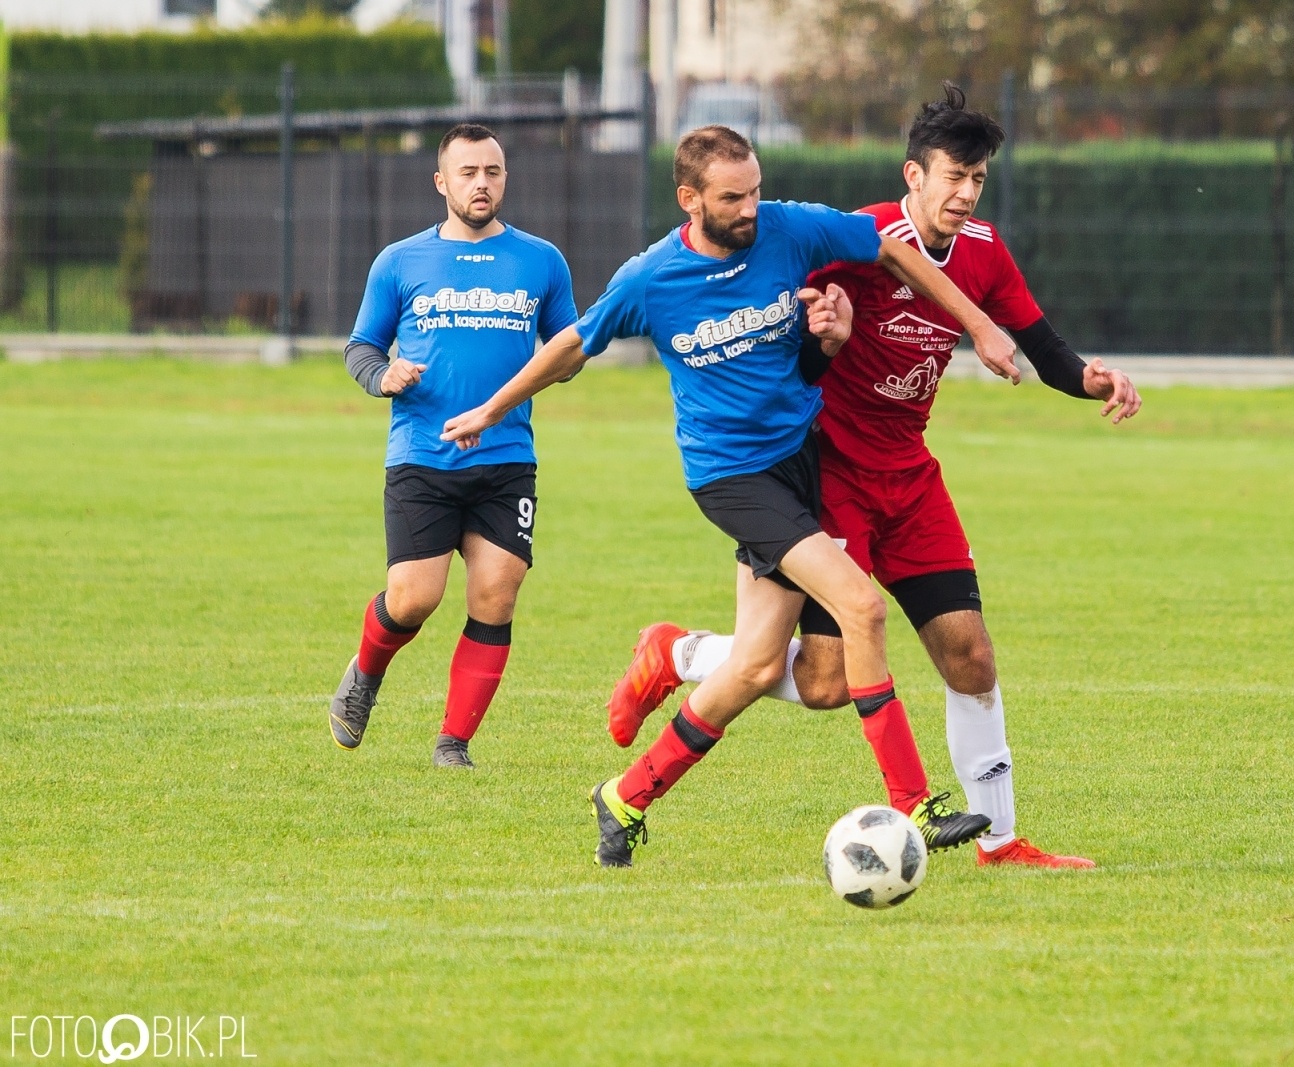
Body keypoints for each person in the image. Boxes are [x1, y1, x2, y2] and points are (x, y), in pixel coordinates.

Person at [441, 124, 1023, 867]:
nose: (750, 207)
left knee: (769, 669)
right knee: (863, 607)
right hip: (733, 479)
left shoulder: (785, 226)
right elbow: (572, 346)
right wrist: (493, 408)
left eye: (754, 189)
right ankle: (914, 802)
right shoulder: (652, 278)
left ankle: (626, 794)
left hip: (802, 463)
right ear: (690, 199)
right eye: (731, 197)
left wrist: (974, 324)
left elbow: (886, 246)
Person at [606, 85, 1142, 868]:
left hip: (912, 480)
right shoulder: (852, 241)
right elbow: (779, 350)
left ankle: (1000, 840)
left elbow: (1040, 344)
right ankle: (685, 655)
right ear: (913, 176)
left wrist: (1091, 379)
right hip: (831, 477)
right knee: (821, 681)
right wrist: (824, 337)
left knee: (972, 655)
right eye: (952, 177)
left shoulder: (986, 252)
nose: (964, 194)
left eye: (978, 180)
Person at [328, 122, 577, 769]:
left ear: (505, 179)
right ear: (442, 182)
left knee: (497, 591)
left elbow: (568, 352)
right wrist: (382, 375)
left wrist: (555, 363)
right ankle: (366, 672)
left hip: (505, 459)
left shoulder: (541, 261)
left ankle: (453, 743)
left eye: (492, 171)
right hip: (422, 455)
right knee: (414, 597)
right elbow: (360, 346)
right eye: (467, 172)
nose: (481, 183)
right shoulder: (400, 260)